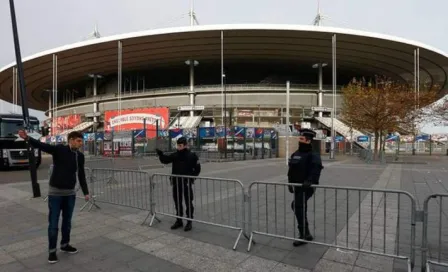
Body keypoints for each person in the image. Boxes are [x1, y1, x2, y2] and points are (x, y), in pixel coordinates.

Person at [18, 130, 90, 264]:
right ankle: (52, 251)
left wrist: (86, 192)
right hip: (55, 194)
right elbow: (43, 146)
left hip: (70, 194)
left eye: (82, 141)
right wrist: (27, 138)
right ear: (71, 140)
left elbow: (81, 175)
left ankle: (65, 245)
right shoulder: (59, 150)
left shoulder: (79, 156)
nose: (81, 143)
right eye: (79, 141)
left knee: (67, 222)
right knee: (53, 223)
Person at [287, 128, 324, 247]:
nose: (300, 141)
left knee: (297, 206)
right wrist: (290, 182)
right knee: (300, 207)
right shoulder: (296, 153)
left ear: (308, 141)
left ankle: (303, 234)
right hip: (297, 186)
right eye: (300, 138)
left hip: (307, 187)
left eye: (302, 139)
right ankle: (306, 233)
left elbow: (316, 169)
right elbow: (291, 169)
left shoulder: (313, 155)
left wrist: (310, 181)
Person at [156, 137, 201, 231]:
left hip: (186, 183)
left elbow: (197, 168)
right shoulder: (175, 155)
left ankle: (189, 221)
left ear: (185, 145)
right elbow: (166, 160)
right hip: (176, 182)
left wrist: (191, 178)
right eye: (178, 145)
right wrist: (160, 155)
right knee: (177, 202)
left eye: (180, 146)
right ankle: (179, 220)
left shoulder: (192, 156)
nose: (178, 147)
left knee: (188, 202)